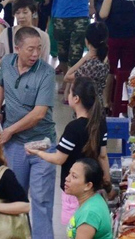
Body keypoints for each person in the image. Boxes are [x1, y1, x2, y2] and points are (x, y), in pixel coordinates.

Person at [0, 27, 57, 239]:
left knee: (41, 197)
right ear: (17, 48)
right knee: (17, 194)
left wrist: (9, 130)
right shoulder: (8, 62)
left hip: (41, 144)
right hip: (14, 146)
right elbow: (1, 84)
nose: (35, 53)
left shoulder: (46, 73)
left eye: (38, 48)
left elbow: (39, 114)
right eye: (30, 49)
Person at [27, 76, 110, 227]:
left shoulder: (74, 128)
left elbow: (59, 159)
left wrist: (38, 153)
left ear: (76, 98)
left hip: (74, 188)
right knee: (90, 225)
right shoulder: (100, 123)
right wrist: (107, 182)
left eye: (70, 92)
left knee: (74, 228)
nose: (68, 95)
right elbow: (103, 156)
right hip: (93, 186)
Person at [0, 0, 51, 66]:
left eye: (25, 12)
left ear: (33, 13)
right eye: (17, 13)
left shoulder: (43, 36)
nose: (21, 16)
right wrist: (11, 66)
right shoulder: (7, 33)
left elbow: (44, 63)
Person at [65, 22, 111, 109]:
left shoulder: (91, 65)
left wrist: (85, 57)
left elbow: (67, 77)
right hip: (98, 106)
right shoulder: (104, 60)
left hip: (86, 109)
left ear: (87, 41)